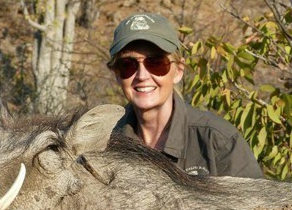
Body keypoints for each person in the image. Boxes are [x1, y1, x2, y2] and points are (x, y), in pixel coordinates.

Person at [108, 12, 263, 178]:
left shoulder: (217, 141)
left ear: (178, 71)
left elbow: (259, 203)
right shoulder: (103, 143)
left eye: (156, 63)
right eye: (128, 65)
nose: (142, 76)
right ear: (117, 74)